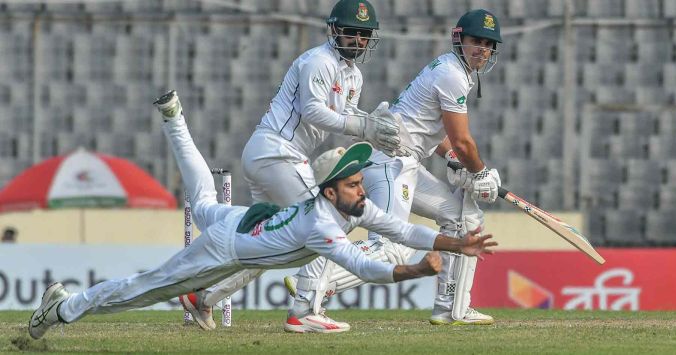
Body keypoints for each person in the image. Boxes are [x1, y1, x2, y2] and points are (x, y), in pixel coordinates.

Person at [26, 91, 498, 340]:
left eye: (359, 181)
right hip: (224, 250)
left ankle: (174, 118)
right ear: (331, 190)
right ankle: (63, 309)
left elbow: (399, 226)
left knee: (203, 194)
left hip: (240, 220)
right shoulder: (321, 225)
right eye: (354, 183)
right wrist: (416, 269)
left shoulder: (345, 204)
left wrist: (457, 244)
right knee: (143, 289)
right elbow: (365, 267)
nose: (363, 188)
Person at [177, 0, 409, 330]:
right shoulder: (318, 61)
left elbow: (345, 117)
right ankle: (304, 310)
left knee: (266, 245)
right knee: (326, 220)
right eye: (352, 32)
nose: (358, 40)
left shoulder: (354, 76)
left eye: (364, 34)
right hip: (276, 152)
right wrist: (363, 126)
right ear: (334, 30)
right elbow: (314, 111)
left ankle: (202, 297)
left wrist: (372, 122)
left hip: (277, 157)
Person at [283, 9, 504, 328]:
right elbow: (463, 139)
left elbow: (429, 129)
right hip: (392, 161)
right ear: (459, 40)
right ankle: (319, 277)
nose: (482, 49)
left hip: (405, 162)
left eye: (488, 43)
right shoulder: (452, 73)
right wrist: (480, 173)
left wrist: (451, 157)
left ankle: (451, 306)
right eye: (476, 41)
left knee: (458, 215)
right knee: (390, 250)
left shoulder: (455, 70)